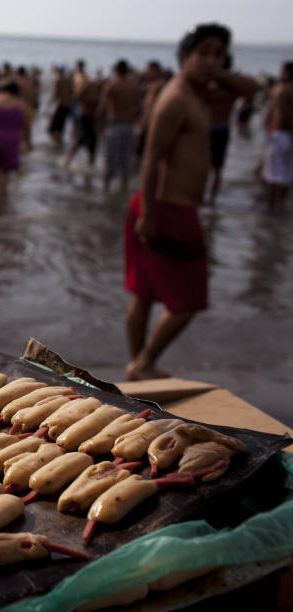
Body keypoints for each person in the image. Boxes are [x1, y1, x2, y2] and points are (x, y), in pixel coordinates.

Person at [124, 23, 251, 380]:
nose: (212, 60)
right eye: (204, 53)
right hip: (165, 208)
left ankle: (138, 367)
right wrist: (149, 212)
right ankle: (143, 362)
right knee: (190, 300)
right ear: (184, 57)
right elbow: (151, 158)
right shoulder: (178, 98)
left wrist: (212, 70)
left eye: (219, 54)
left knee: (145, 294)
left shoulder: (199, 92)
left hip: (163, 207)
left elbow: (251, 89)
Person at [200, 55, 256, 204]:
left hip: (216, 129)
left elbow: (252, 86)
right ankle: (208, 198)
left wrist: (221, 74)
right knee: (210, 167)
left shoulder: (217, 88)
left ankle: (208, 197)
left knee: (212, 167)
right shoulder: (227, 90)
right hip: (215, 129)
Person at [99, 59, 142, 193]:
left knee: (109, 159)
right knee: (126, 158)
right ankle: (124, 189)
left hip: (114, 125)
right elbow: (139, 107)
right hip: (129, 126)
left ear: (116, 71)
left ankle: (105, 190)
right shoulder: (134, 87)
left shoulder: (112, 86)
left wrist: (98, 124)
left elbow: (102, 107)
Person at [264, 61, 293, 210]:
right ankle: (280, 205)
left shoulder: (280, 90)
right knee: (287, 173)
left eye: (282, 71)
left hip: (279, 134)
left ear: (287, 73)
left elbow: (270, 114)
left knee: (274, 173)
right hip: (288, 134)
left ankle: (273, 206)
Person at [48, 66, 73, 147]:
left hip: (60, 105)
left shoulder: (58, 80)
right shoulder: (69, 80)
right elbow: (72, 93)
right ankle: (59, 143)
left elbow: (55, 94)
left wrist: (49, 105)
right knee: (60, 127)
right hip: (68, 106)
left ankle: (58, 143)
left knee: (51, 129)